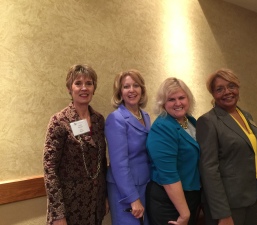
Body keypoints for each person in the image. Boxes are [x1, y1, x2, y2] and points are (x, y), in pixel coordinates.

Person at [196, 68, 257, 225]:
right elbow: (209, 170)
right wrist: (223, 213)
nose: (227, 92)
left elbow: (254, 154)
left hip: (250, 196)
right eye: (219, 89)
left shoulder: (246, 115)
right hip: (228, 203)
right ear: (213, 94)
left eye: (231, 86)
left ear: (238, 88)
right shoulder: (208, 121)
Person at [43, 64, 109, 225]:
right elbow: (49, 168)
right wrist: (58, 214)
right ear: (69, 88)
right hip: (69, 207)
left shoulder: (99, 121)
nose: (84, 88)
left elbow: (101, 163)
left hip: (94, 205)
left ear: (94, 88)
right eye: (78, 83)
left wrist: (105, 197)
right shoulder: (59, 121)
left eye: (89, 83)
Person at [146, 77, 201, 225]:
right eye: (171, 99)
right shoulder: (162, 128)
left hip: (189, 195)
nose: (178, 103)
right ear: (163, 103)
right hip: (169, 202)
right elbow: (168, 176)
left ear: (188, 99)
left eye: (181, 98)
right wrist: (184, 214)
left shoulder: (190, 122)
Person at [105, 69, 151, 225]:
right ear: (120, 92)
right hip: (125, 191)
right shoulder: (116, 119)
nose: (132, 90)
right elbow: (119, 164)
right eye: (126, 87)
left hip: (146, 185)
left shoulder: (145, 116)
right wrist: (133, 198)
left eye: (136, 85)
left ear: (142, 89)